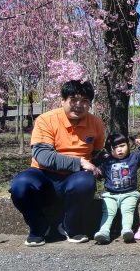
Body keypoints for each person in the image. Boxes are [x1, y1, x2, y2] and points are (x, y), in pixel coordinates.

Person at [9, 80, 106, 246]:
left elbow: (97, 153)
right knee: (20, 186)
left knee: (86, 182)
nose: (79, 105)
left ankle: (70, 226)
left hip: (74, 178)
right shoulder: (46, 120)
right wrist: (80, 162)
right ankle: (38, 226)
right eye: (73, 100)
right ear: (63, 101)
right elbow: (43, 156)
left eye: (84, 101)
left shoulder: (96, 123)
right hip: (42, 174)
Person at [94, 133, 140, 244]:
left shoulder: (133, 158)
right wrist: (95, 170)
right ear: (109, 150)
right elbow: (99, 173)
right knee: (108, 212)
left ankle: (126, 230)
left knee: (127, 211)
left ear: (128, 145)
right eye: (115, 148)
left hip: (129, 193)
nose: (119, 150)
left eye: (122, 146)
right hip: (111, 194)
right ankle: (104, 232)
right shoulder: (107, 161)